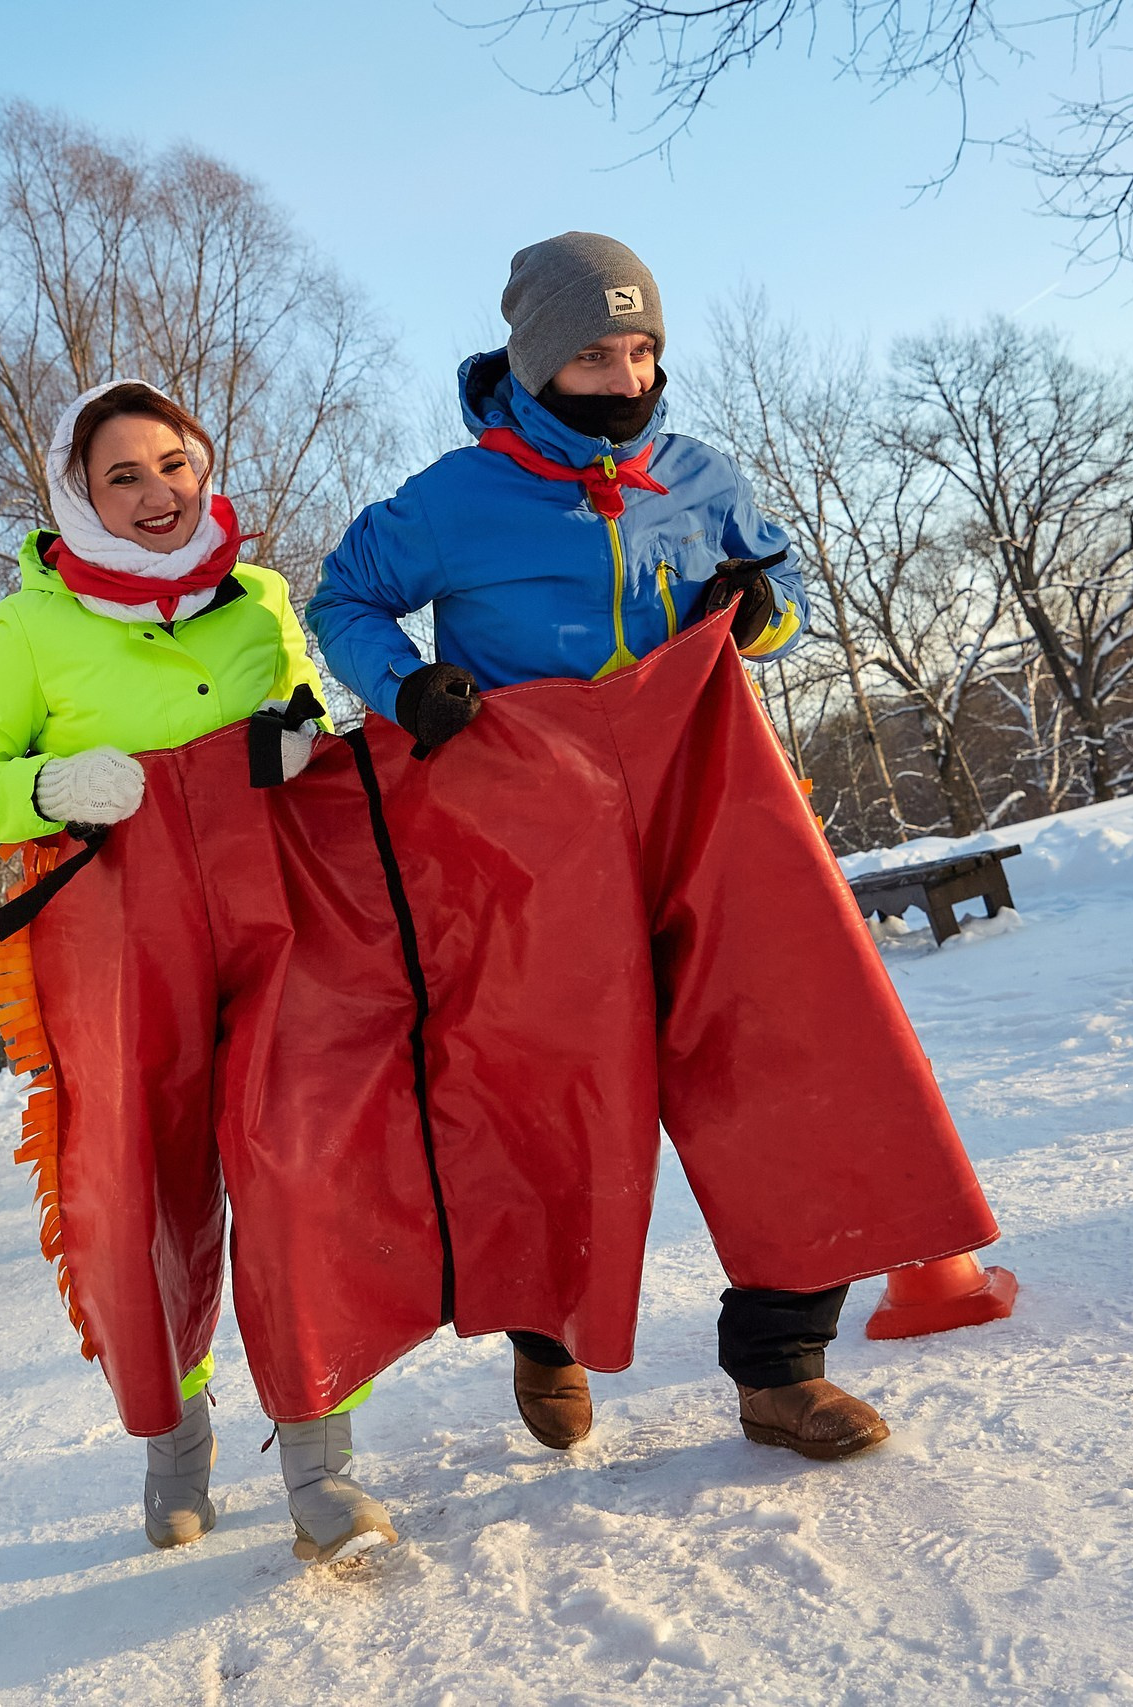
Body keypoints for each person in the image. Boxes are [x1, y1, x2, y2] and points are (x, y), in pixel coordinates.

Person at [308, 231, 890, 1464]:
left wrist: (761, 609)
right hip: (528, 834)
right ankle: (542, 1323)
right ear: (532, 362)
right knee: (549, 1085)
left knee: (777, 1053)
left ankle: (783, 1368)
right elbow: (342, 600)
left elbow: (780, 595)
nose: (625, 378)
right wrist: (404, 691)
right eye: (592, 353)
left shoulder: (699, 472)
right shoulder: (453, 500)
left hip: (700, 804)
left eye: (642, 349)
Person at [0, 380, 397, 1564]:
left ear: (204, 465)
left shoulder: (259, 596)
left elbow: (302, 706)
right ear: (77, 494)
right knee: (151, 1191)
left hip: (272, 915)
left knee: (294, 1164)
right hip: (121, 930)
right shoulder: (31, 623)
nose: (154, 493)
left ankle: (318, 1462)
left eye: (172, 464)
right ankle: (175, 1444)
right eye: (120, 476)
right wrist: (48, 784)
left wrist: (299, 737)